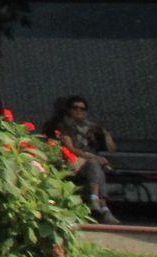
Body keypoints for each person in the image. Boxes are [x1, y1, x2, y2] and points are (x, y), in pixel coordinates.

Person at [42, 95, 118, 223]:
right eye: (75, 108)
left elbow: (112, 149)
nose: (79, 111)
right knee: (95, 165)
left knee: (96, 169)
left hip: (91, 165)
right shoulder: (64, 126)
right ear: (69, 110)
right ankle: (102, 207)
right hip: (75, 163)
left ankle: (99, 204)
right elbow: (70, 148)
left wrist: (106, 135)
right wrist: (93, 157)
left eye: (82, 109)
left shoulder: (93, 128)